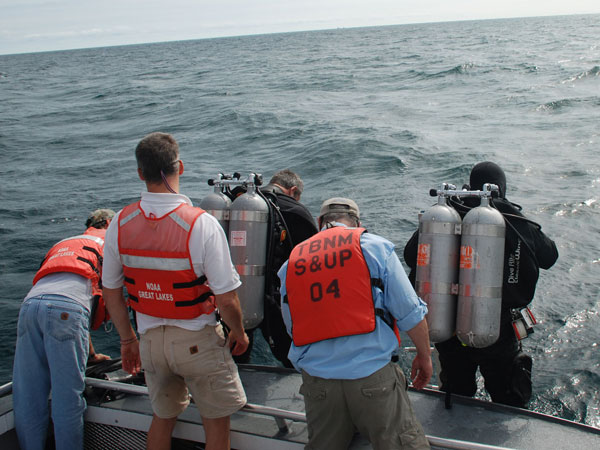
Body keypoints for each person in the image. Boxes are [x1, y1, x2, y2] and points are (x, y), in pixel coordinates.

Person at [102, 132, 249, 450]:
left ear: (141, 173)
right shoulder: (201, 223)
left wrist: (128, 340)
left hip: (151, 343)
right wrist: (239, 331)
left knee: (162, 419)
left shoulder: (119, 223)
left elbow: (111, 290)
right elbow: (226, 298)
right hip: (197, 341)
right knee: (216, 425)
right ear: (179, 167)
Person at [279, 197, 432, 450]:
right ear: (358, 223)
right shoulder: (375, 248)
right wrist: (424, 357)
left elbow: (292, 327)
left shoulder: (291, 264)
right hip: (372, 379)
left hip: (319, 385)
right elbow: (410, 313)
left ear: (320, 223)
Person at [404, 161, 559, 408]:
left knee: (456, 395)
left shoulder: (449, 211)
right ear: (502, 189)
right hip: (495, 327)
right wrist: (513, 215)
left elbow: (412, 255)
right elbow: (550, 256)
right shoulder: (510, 218)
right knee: (507, 397)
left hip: (449, 325)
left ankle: (452, 435)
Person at [12, 208, 114, 450]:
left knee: (28, 396)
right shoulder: (109, 242)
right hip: (67, 311)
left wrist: (91, 354)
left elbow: (61, 292)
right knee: (67, 398)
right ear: (109, 223)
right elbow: (104, 294)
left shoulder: (64, 243)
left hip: (29, 307)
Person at [258, 169, 318, 367]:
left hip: (236, 293)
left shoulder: (247, 203)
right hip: (274, 298)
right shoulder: (296, 211)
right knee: (290, 356)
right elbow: (312, 262)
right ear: (293, 191)